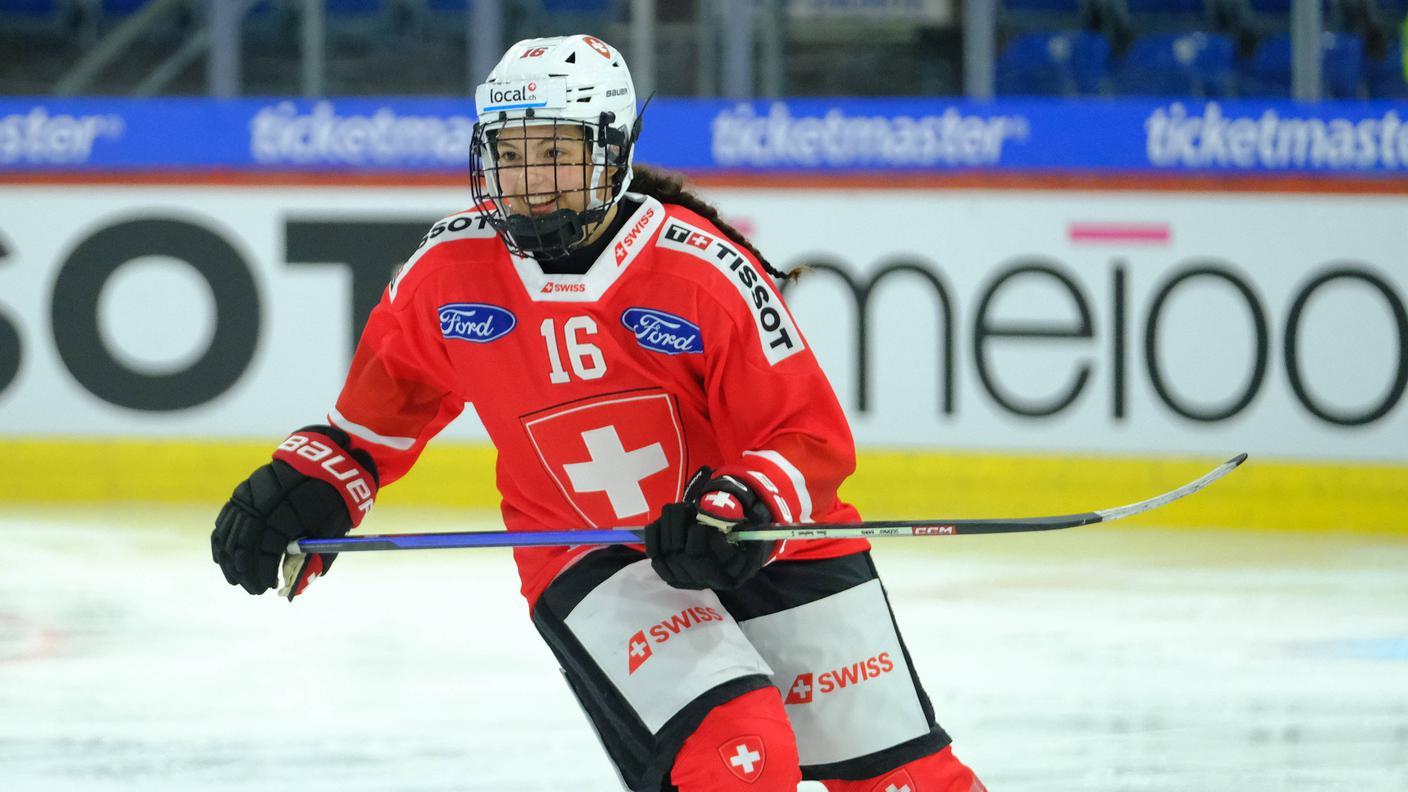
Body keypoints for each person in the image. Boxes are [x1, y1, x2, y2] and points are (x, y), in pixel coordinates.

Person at [210, 34, 985, 792]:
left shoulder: (704, 270)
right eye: (508, 155)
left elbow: (804, 435)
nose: (527, 179)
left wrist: (738, 505)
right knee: (736, 760)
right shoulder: (446, 273)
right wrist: (311, 485)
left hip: (763, 537)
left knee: (911, 781)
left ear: (608, 154)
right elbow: (375, 420)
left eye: (553, 152)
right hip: (592, 554)